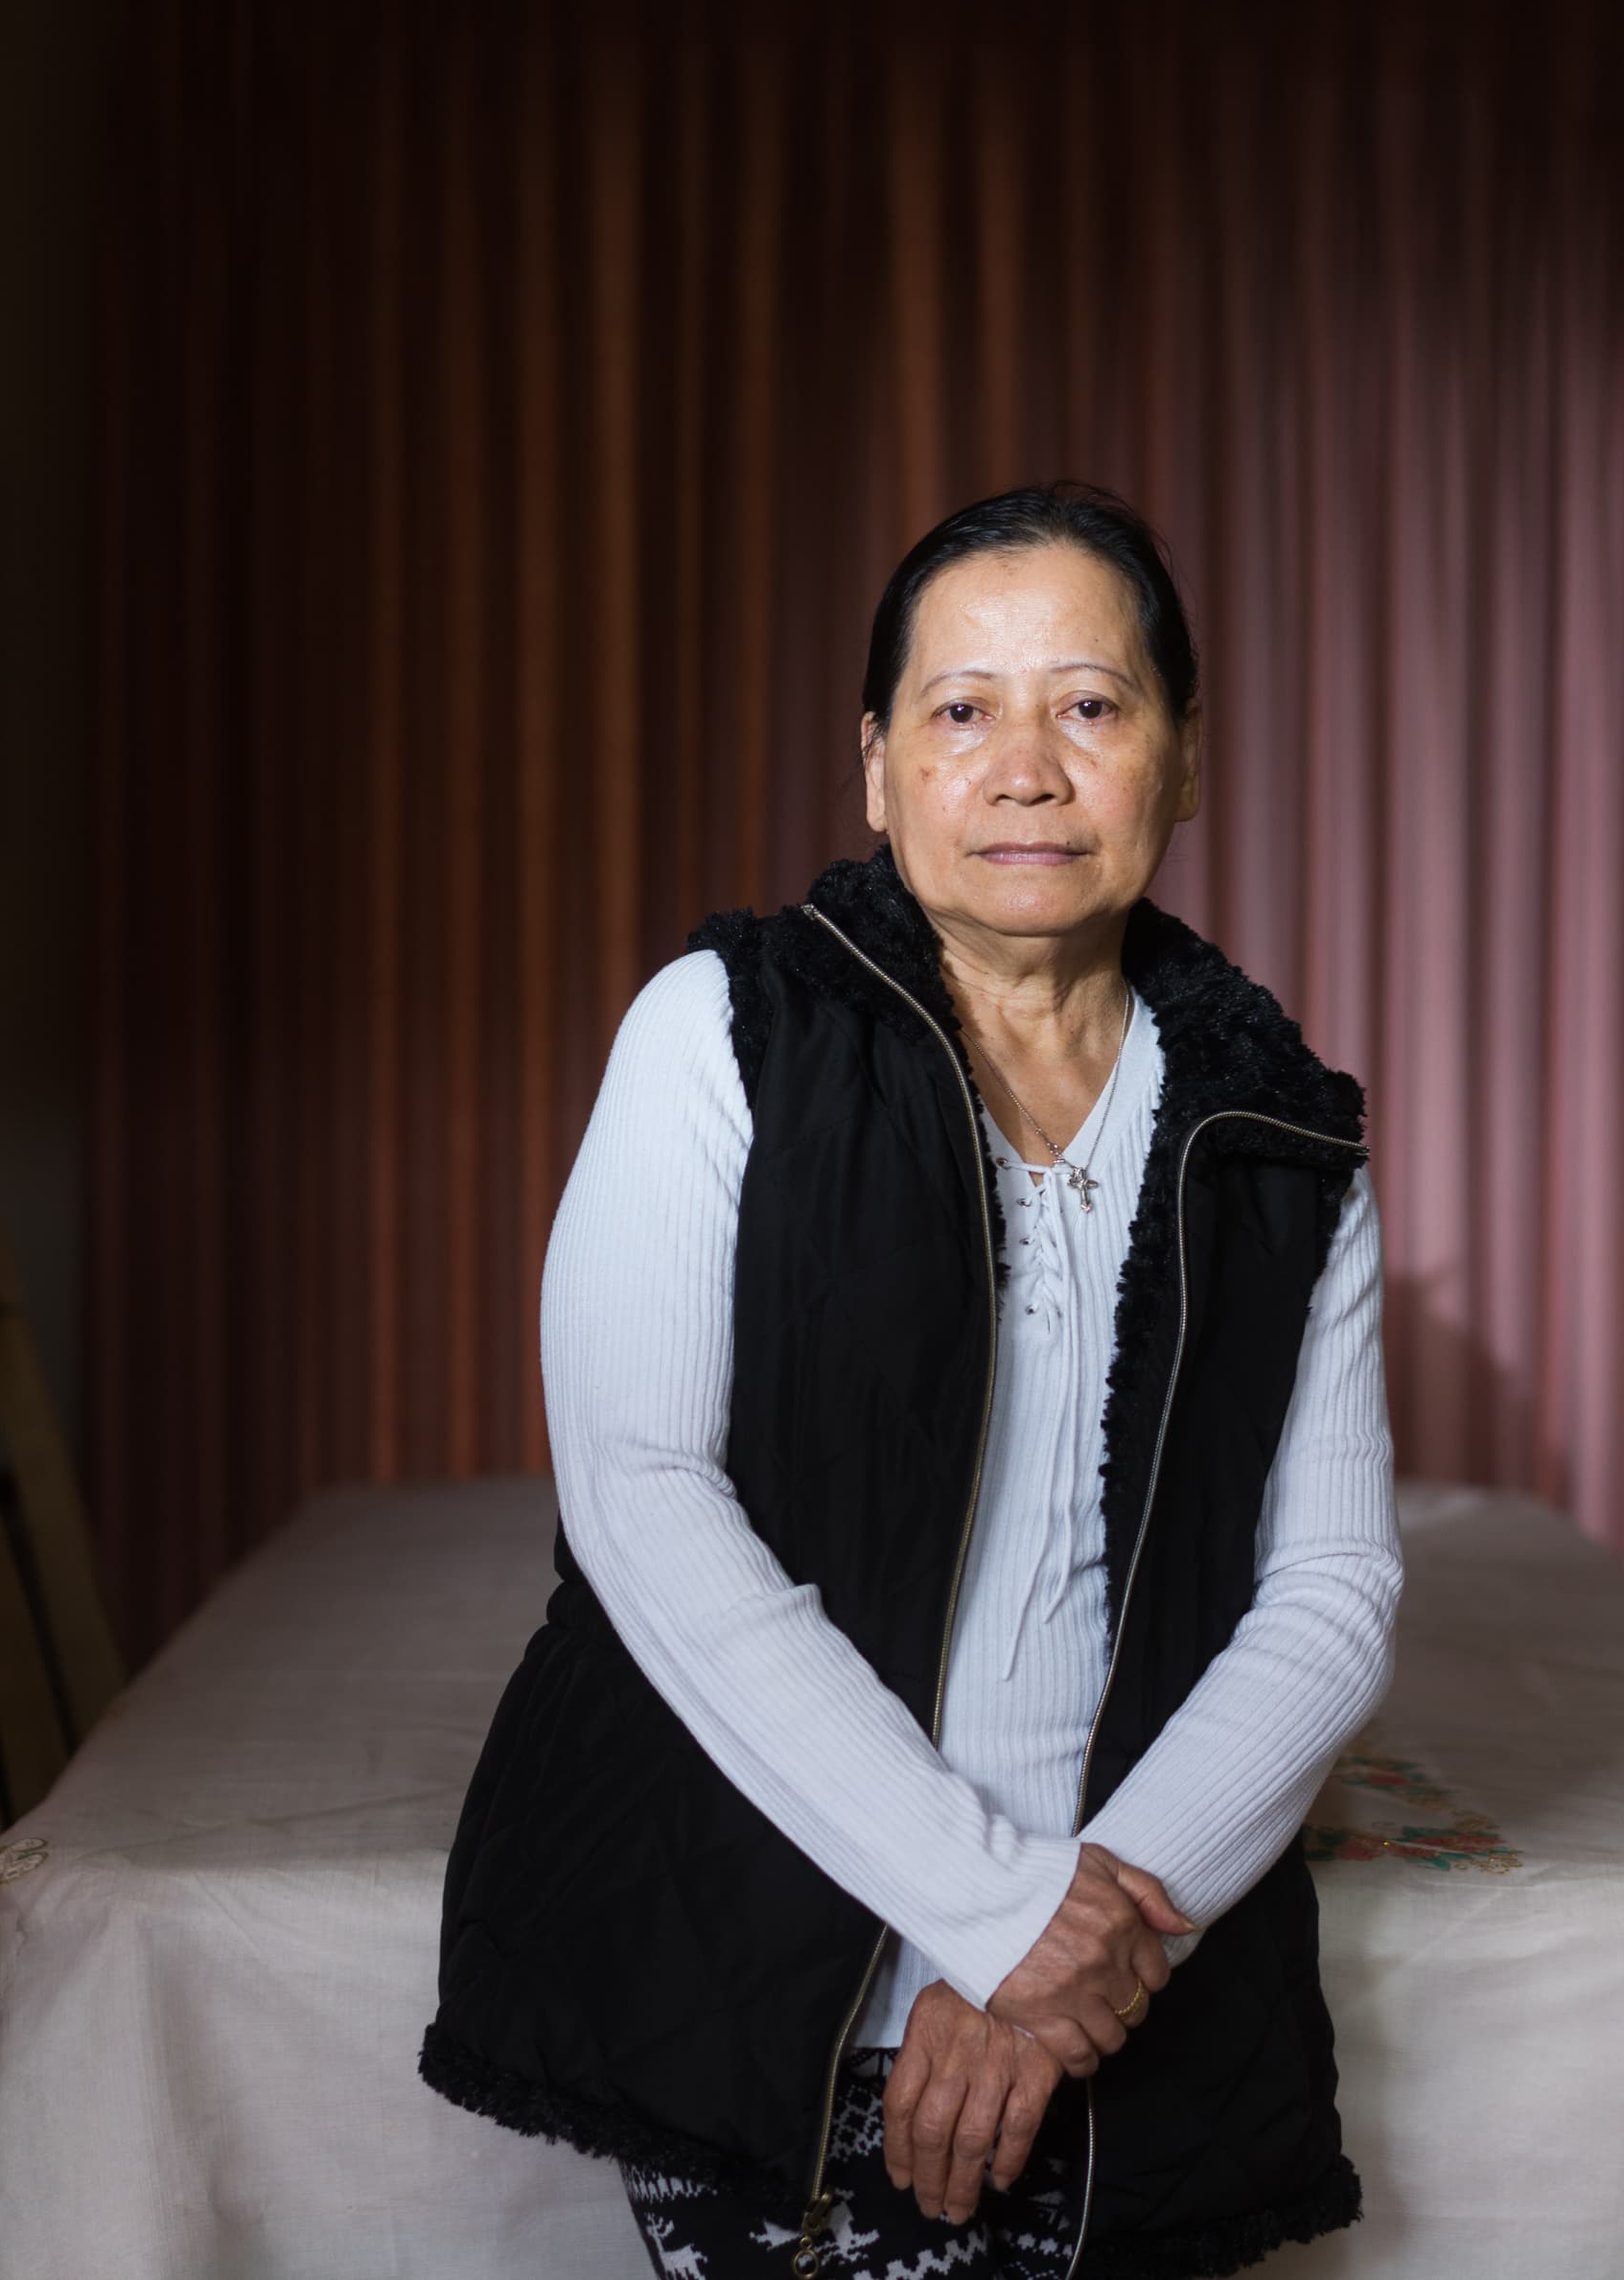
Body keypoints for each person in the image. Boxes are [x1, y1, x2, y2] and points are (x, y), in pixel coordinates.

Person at [424, 483, 1399, 2280]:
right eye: (963, 711)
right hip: (762, 1952)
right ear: (877, 767)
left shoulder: (1278, 1131)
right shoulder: (724, 1031)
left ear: (1182, 763)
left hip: (1133, 1978)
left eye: (1091, 706)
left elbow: (1331, 1590)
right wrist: (999, 1916)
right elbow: (640, 1497)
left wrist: (1088, 1952)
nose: (1025, 767)